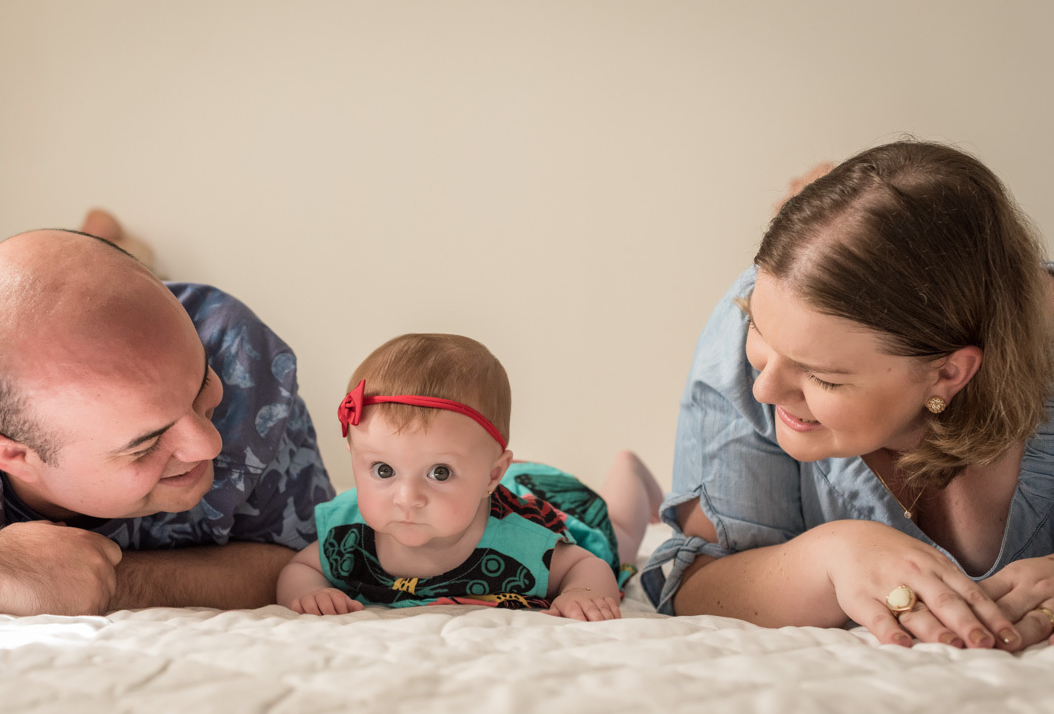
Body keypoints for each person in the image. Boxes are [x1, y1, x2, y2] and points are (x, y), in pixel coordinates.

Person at [642, 139, 1054, 651]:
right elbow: (695, 580)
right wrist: (830, 557)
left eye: (825, 378)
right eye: (761, 337)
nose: (764, 389)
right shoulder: (760, 312)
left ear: (949, 372)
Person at [0, 216, 333, 625]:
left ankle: (114, 245)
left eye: (199, 386)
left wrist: (100, 580)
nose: (208, 444)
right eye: (145, 445)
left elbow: (306, 564)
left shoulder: (232, 351)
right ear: (15, 456)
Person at [277, 333, 660, 621]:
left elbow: (585, 564)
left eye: (439, 472)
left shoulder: (525, 542)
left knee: (621, 535)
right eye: (383, 470)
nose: (407, 497)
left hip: (546, 498)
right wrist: (308, 592)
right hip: (492, 485)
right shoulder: (346, 532)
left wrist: (583, 591)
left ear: (492, 474)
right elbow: (301, 567)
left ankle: (630, 469)